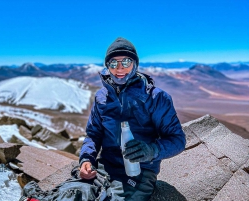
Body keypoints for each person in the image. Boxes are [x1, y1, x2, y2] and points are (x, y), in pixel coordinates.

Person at [79, 37, 186, 200]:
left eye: (126, 62)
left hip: (141, 171)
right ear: (107, 66)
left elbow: (177, 140)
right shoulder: (101, 97)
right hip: (105, 167)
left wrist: (151, 150)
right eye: (113, 63)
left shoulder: (156, 98)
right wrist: (86, 159)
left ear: (135, 64)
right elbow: (94, 135)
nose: (119, 68)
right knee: (71, 194)